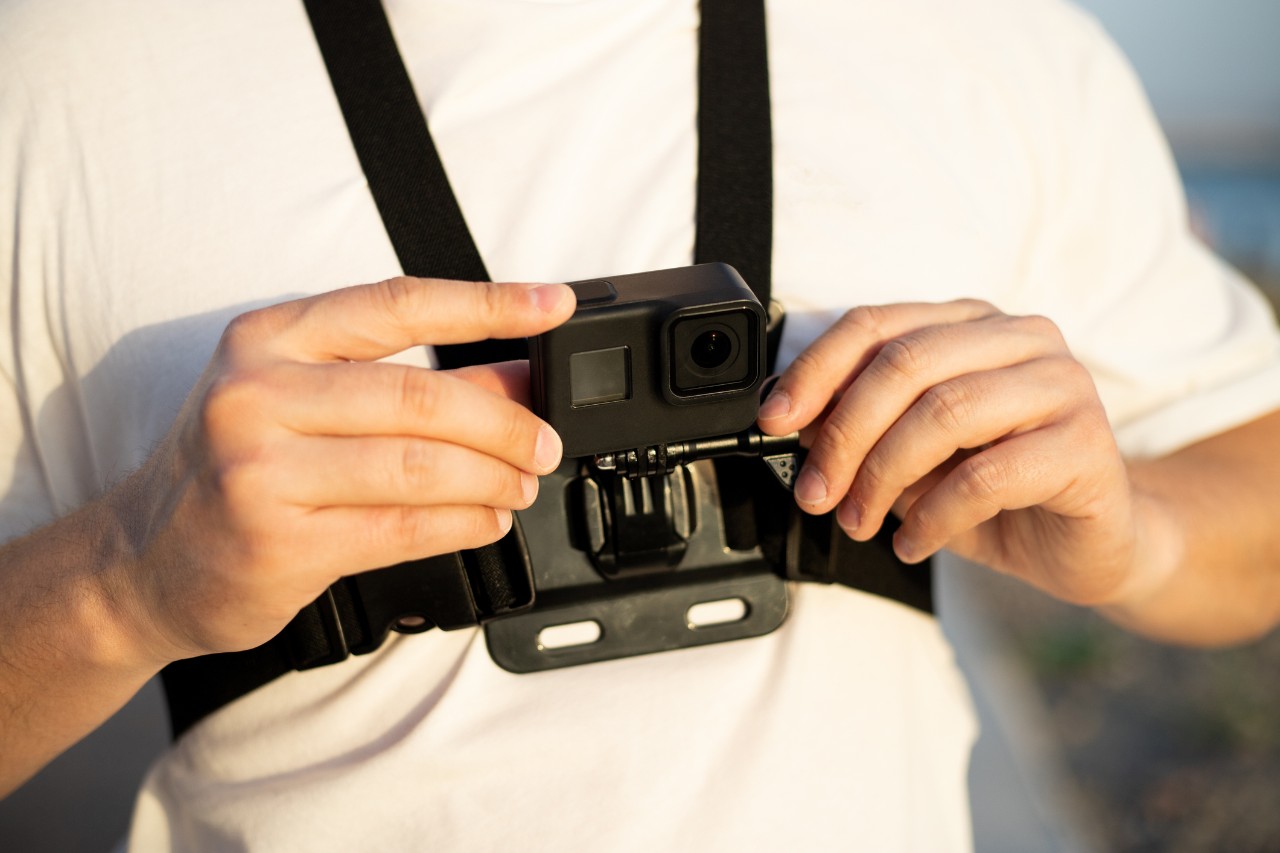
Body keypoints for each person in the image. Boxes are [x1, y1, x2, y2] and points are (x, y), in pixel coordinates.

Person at [2, 0, 1278, 849]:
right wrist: (124, 583)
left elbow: (1255, 499)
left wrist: (1139, 538)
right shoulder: (57, 79)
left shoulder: (978, 40)